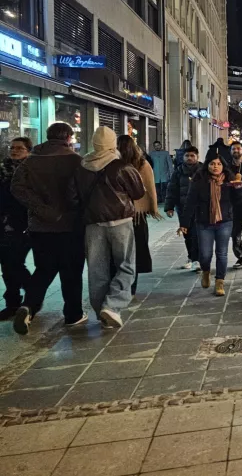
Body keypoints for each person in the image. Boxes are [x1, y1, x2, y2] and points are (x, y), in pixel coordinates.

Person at [11, 122, 86, 335]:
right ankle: (73, 314)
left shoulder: (31, 160)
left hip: (40, 226)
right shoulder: (76, 161)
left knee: (43, 269)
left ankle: (29, 306)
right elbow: (84, 191)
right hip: (70, 226)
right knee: (71, 272)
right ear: (68, 138)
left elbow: (16, 187)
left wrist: (40, 208)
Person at [74, 127, 145, 328]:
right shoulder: (121, 166)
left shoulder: (82, 166)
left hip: (92, 224)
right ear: (112, 144)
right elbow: (138, 192)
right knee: (126, 265)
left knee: (97, 269)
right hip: (120, 222)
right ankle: (112, 306)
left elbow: (73, 195)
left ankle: (101, 311)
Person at [180, 155, 242, 296]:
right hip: (204, 222)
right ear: (207, 165)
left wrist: (238, 188)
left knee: (222, 253)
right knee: (205, 254)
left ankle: (220, 281)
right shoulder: (199, 180)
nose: (215, 166)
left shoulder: (229, 180)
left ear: (223, 166)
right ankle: (206, 271)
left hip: (225, 221)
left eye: (219, 164)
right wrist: (184, 223)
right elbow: (190, 201)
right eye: (212, 164)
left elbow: (238, 201)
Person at [117, 135, 162, 296]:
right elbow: (150, 188)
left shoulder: (114, 164)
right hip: (138, 215)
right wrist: (153, 208)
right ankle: (131, 286)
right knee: (135, 250)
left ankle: (121, 284)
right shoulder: (142, 163)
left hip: (118, 214)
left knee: (121, 251)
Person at [0, 138, 32, 320]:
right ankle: (13, 303)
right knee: (7, 264)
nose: (14, 151)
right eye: (12, 147)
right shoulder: (3, 169)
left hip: (25, 224)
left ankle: (32, 294)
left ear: (29, 150)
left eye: (20, 148)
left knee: (14, 263)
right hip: (4, 224)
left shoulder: (32, 170)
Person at [165, 146, 205, 270]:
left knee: (197, 233)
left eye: (192, 156)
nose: (189, 158)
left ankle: (197, 259)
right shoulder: (178, 171)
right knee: (187, 233)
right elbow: (172, 189)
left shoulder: (203, 170)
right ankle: (191, 257)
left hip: (199, 208)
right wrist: (169, 207)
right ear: (183, 157)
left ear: (197, 157)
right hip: (182, 207)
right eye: (187, 156)